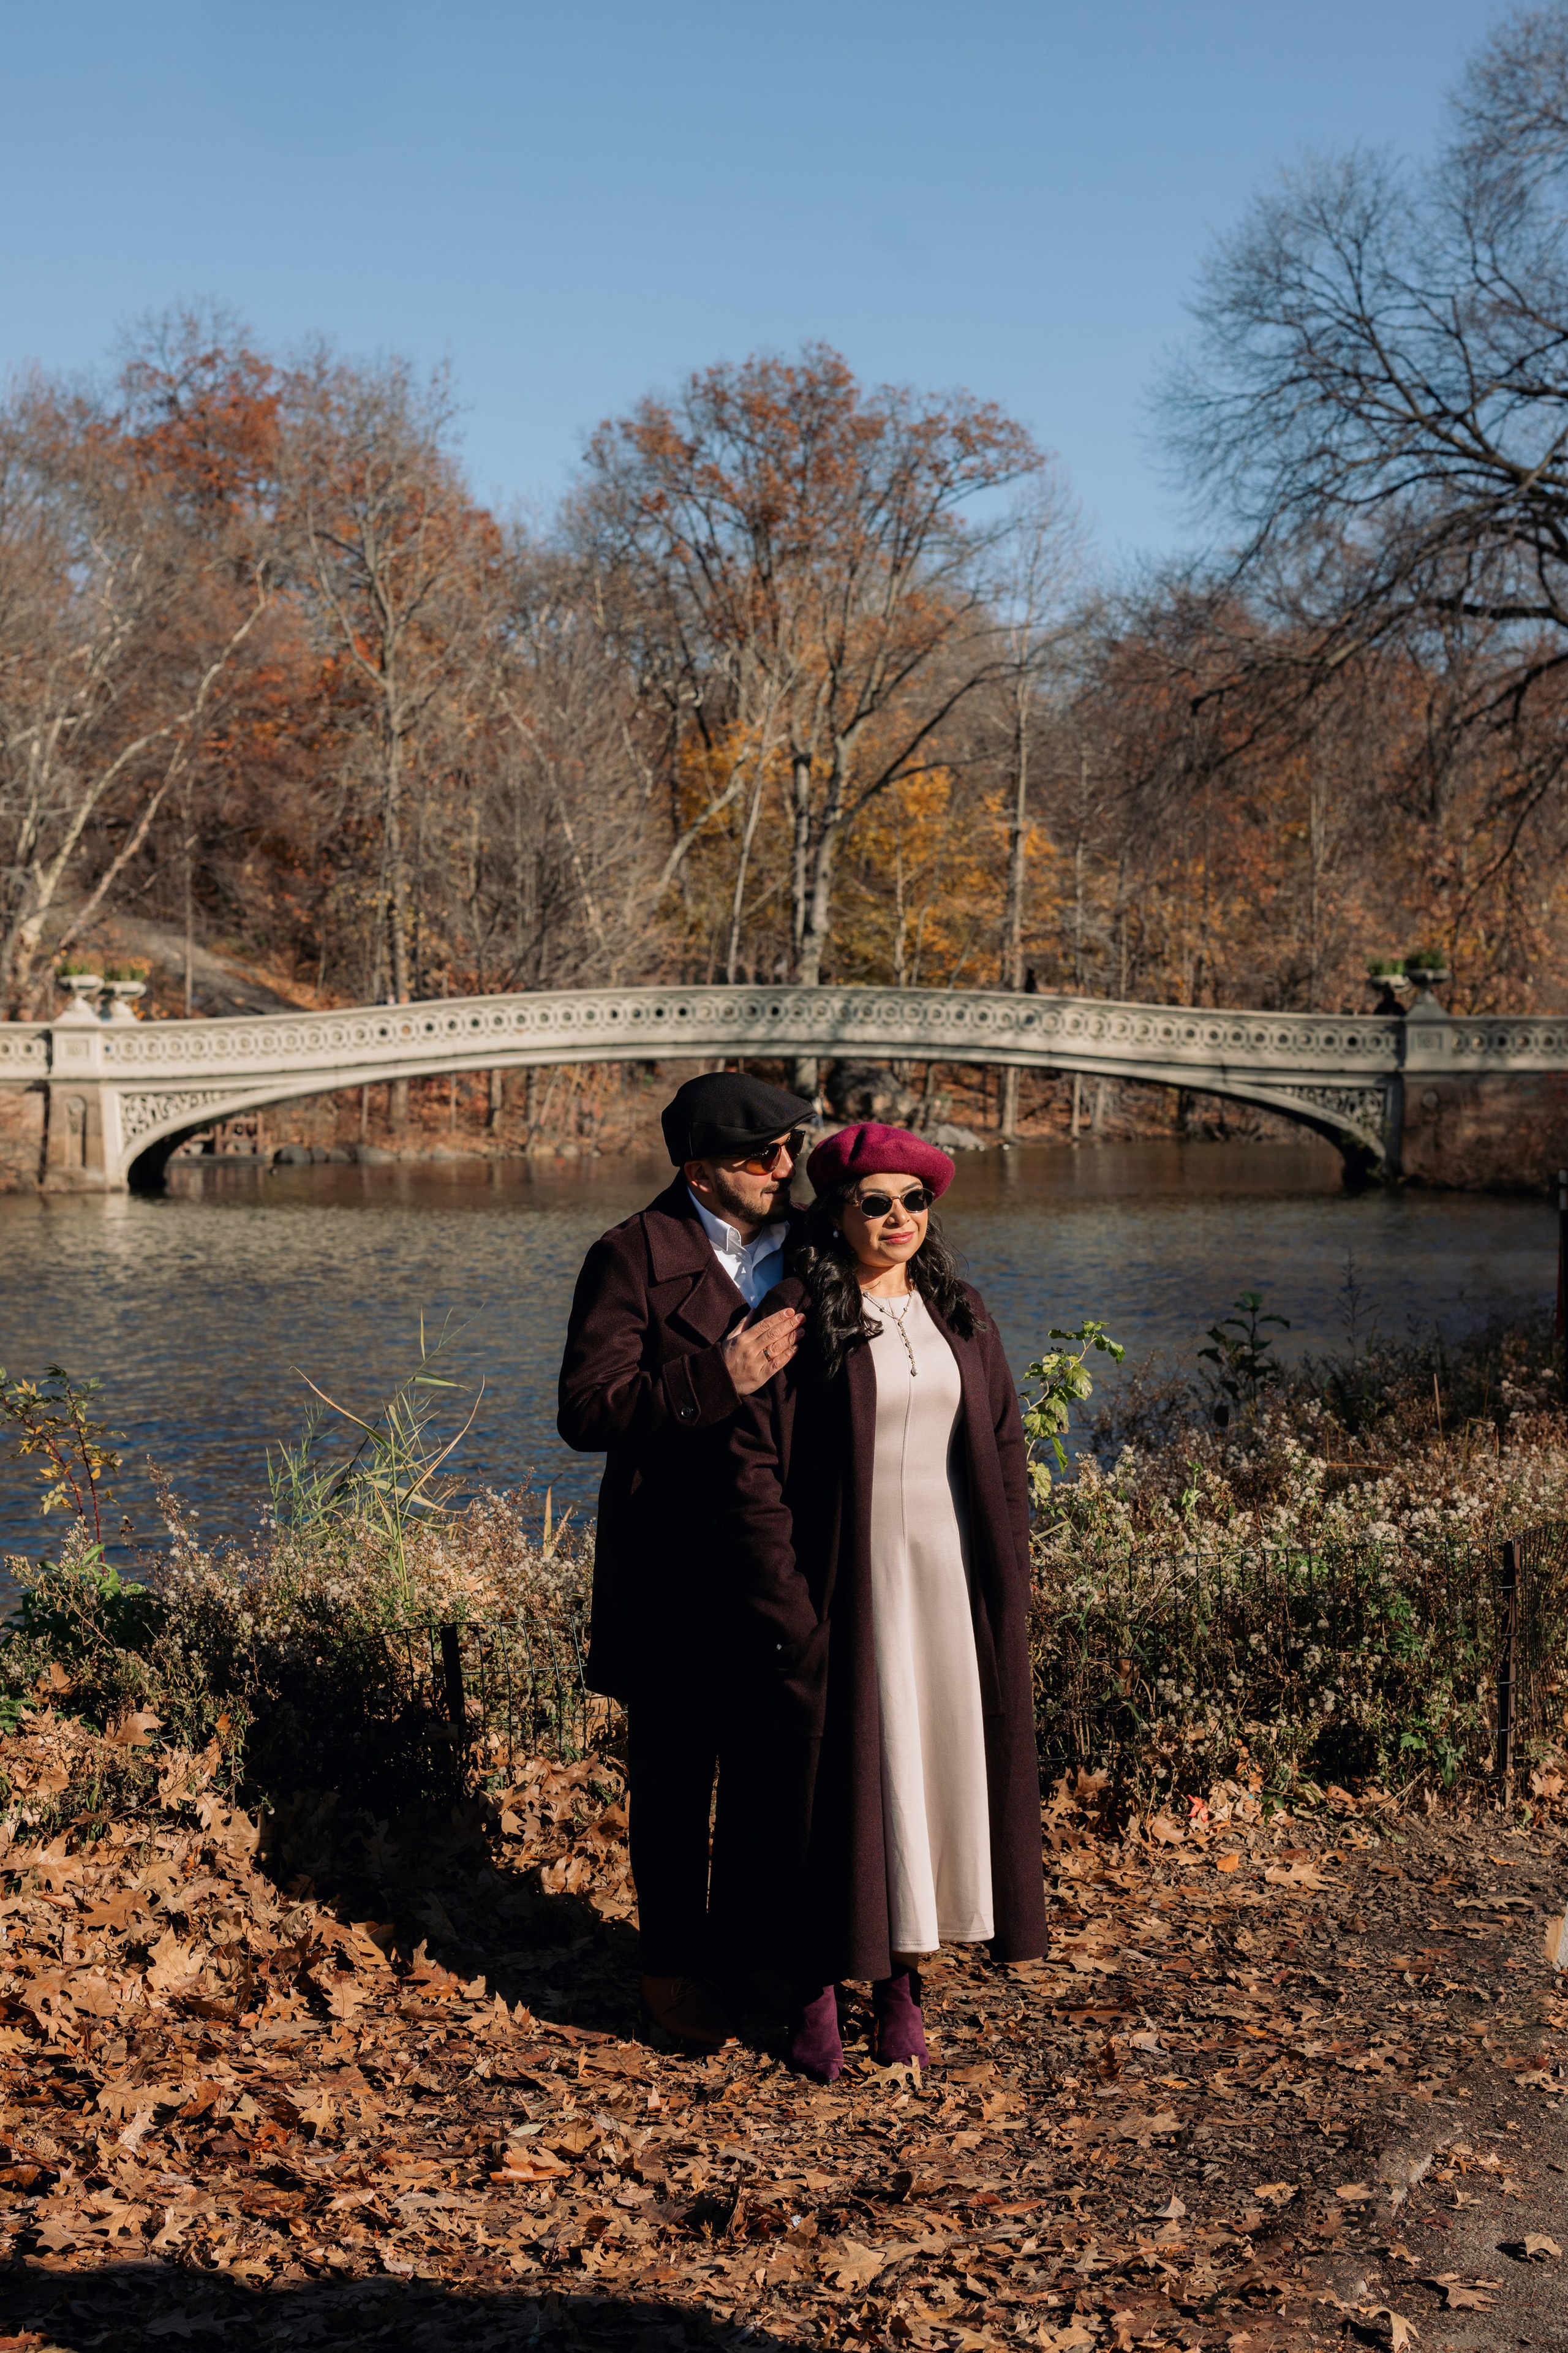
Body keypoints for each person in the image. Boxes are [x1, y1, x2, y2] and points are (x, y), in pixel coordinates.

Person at [725, 1120, 1047, 2082]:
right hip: (844, 1587)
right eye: (875, 1201)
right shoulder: (799, 1310)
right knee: (839, 1786)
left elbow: (1002, 1449)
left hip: (945, 1584)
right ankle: (818, 1981)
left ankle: (904, 1982)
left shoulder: (961, 1311)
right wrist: (789, 1604)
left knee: (928, 1774)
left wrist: (1010, 1576)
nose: (898, 1217)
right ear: (838, 1211)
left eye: (914, 1200)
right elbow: (753, 1466)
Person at [557, 1069, 813, 2047]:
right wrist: (717, 1376)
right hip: (671, 1571)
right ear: (701, 1170)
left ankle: (752, 1961)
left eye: (790, 1149)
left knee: (770, 1774)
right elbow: (585, 1409)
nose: (783, 1168)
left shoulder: (810, 1244)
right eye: (761, 1157)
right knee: (672, 1785)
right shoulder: (628, 1256)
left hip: (785, 1561)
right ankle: (668, 1974)